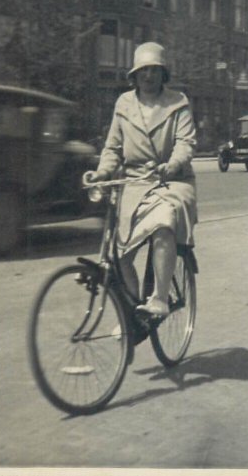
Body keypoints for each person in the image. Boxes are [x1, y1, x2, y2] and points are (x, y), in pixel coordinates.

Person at [84, 42, 197, 316]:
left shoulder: (178, 103)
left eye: (155, 71)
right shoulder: (124, 103)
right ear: (134, 75)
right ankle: (136, 311)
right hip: (133, 182)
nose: (149, 76)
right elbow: (112, 147)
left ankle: (159, 297)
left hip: (171, 181)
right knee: (119, 254)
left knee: (163, 224)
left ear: (163, 74)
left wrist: (171, 165)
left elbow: (186, 143)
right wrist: (101, 172)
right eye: (144, 71)